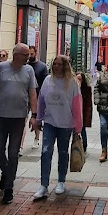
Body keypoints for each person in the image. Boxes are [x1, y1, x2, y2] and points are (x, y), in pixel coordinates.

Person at [0, 44, 37, 204]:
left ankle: (9, 188)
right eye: (26, 55)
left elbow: (33, 94)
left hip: (19, 117)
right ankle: (7, 173)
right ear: (16, 54)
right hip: (1, 116)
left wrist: (34, 115)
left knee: (13, 153)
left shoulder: (29, 71)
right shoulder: (1, 68)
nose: (29, 57)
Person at [33, 56, 83, 199]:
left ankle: (61, 181)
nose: (56, 67)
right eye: (54, 64)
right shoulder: (48, 80)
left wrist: (77, 127)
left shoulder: (72, 83)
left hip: (66, 123)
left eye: (59, 64)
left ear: (65, 66)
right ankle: (44, 185)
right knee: (45, 151)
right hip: (49, 121)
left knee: (63, 152)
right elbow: (41, 100)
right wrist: (38, 118)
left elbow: (77, 106)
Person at [77, 71, 92, 152]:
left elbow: (88, 104)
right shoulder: (72, 88)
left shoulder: (87, 89)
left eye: (80, 79)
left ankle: (84, 145)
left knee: (82, 129)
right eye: (77, 79)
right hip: (74, 112)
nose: (78, 81)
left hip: (83, 112)